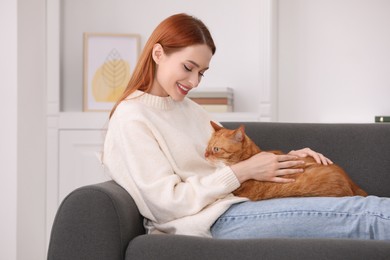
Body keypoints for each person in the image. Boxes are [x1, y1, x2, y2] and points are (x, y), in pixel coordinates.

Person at [103, 13, 390, 239]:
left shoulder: (189, 109)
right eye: (188, 67)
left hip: (238, 204)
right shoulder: (132, 117)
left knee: (368, 210)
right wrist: (241, 172)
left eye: (201, 73)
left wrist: (286, 159)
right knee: (366, 216)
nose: (194, 82)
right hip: (212, 221)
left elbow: (232, 156)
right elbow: (165, 203)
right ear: (158, 54)